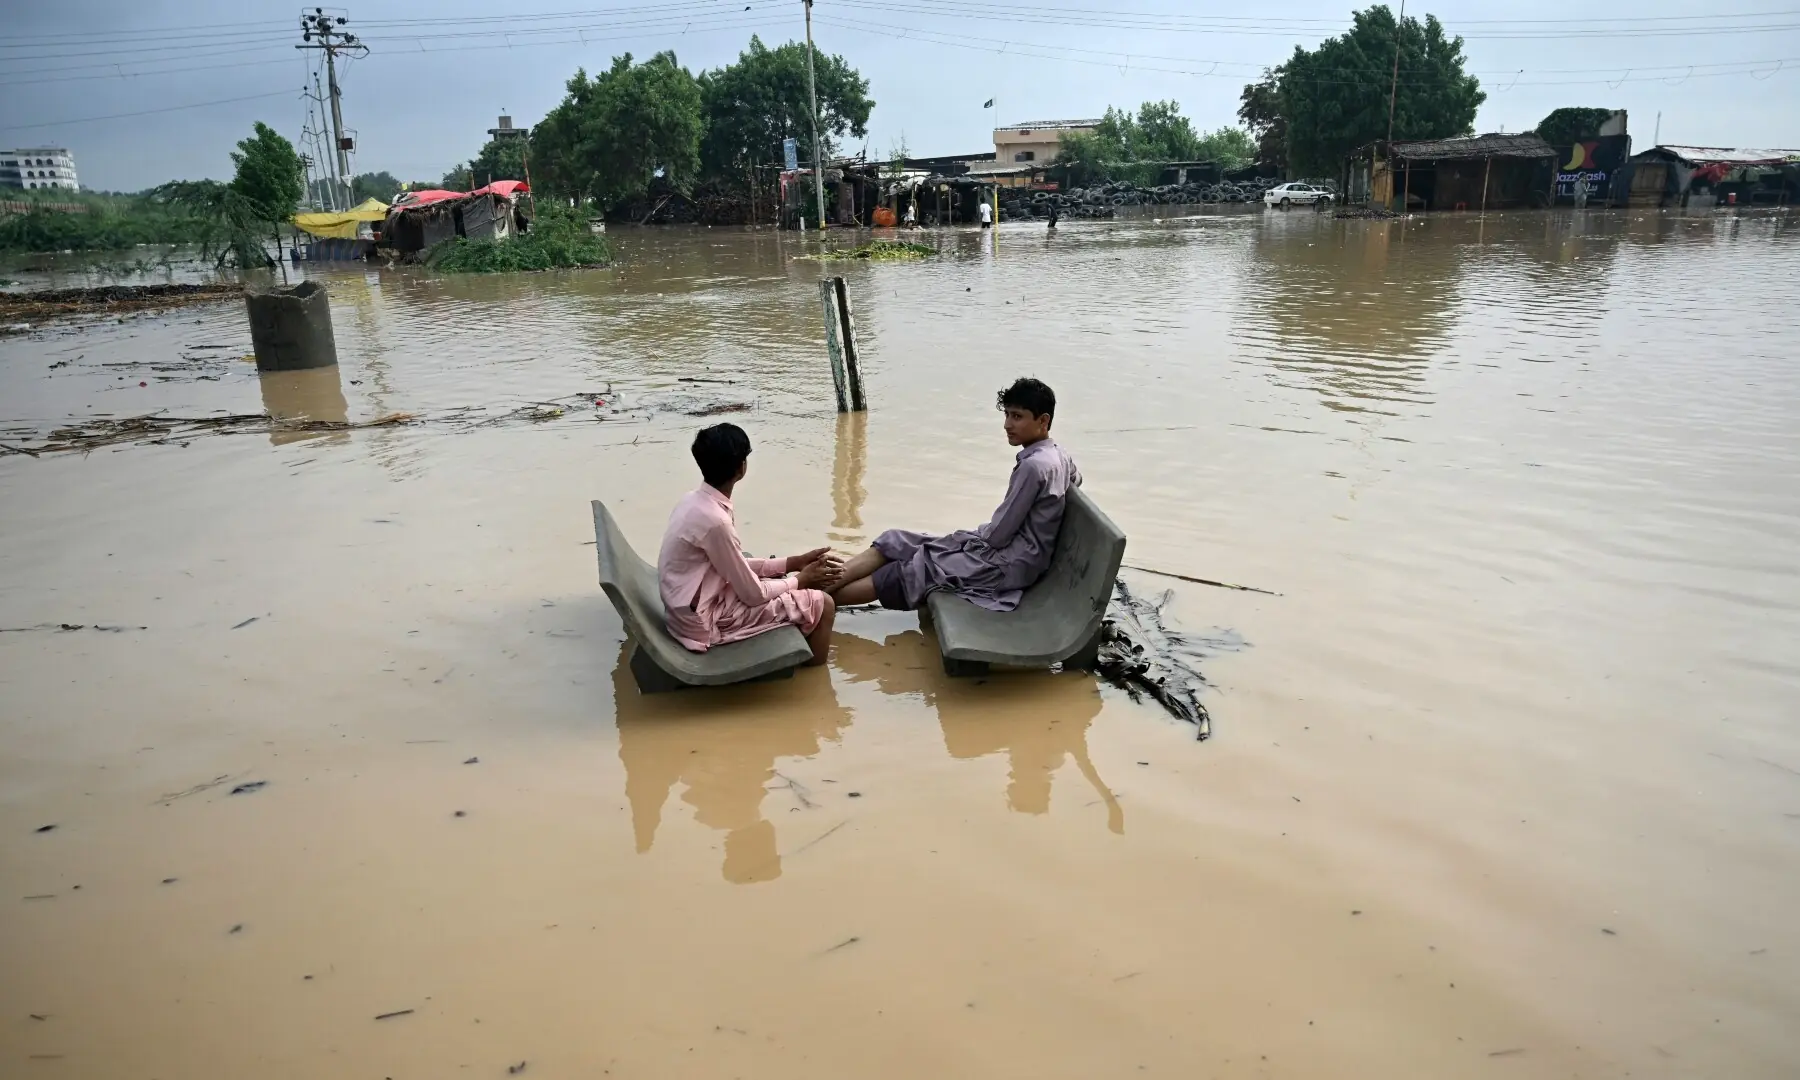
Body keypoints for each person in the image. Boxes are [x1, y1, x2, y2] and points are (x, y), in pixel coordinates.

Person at [831, 378, 1078, 612]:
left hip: (1007, 566)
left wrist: (964, 542)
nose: (1007, 425)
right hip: (1014, 557)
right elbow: (1076, 480)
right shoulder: (1058, 454)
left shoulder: (1033, 467)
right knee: (896, 540)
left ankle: (810, 599)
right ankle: (806, 588)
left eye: (1017, 417)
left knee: (913, 569)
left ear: (1043, 421)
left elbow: (999, 536)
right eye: (1007, 415)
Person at [659, 423, 840, 665]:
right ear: (741, 468)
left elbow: (733, 565)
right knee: (823, 604)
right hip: (702, 623)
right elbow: (753, 595)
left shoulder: (692, 501)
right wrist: (801, 579)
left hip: (683, 610)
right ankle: (814, 681)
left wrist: (792, 563)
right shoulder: (716, 522)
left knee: (779, 583)